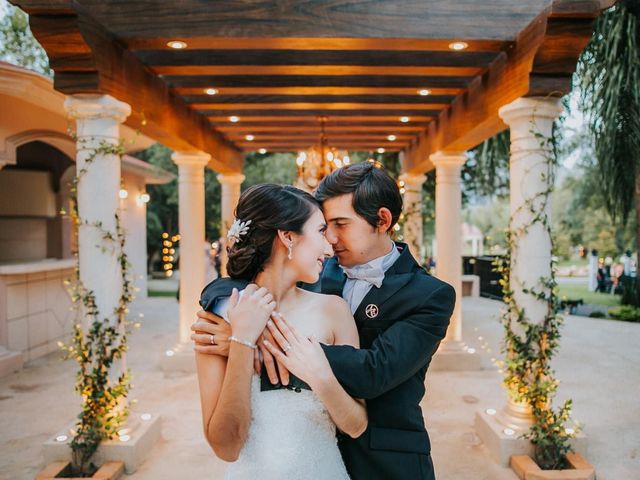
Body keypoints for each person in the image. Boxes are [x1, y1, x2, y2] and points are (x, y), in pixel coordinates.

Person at [194, 162, 455, 480]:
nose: (330, 239)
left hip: (385, 461)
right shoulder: (312, 268)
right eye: (323, 227)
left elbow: (375, 372)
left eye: (340, 224)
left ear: (382, 220)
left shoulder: (430, 295)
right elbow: (250, 276)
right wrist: (243, 326)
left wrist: (270, 339)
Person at [195, 184, 366, 479]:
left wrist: (317, 374)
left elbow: (355, 425)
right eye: (320, 231)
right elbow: (226, 449)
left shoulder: (334, 312)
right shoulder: (220, 321)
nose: (329, 247)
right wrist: (242, 340)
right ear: (288, 237)